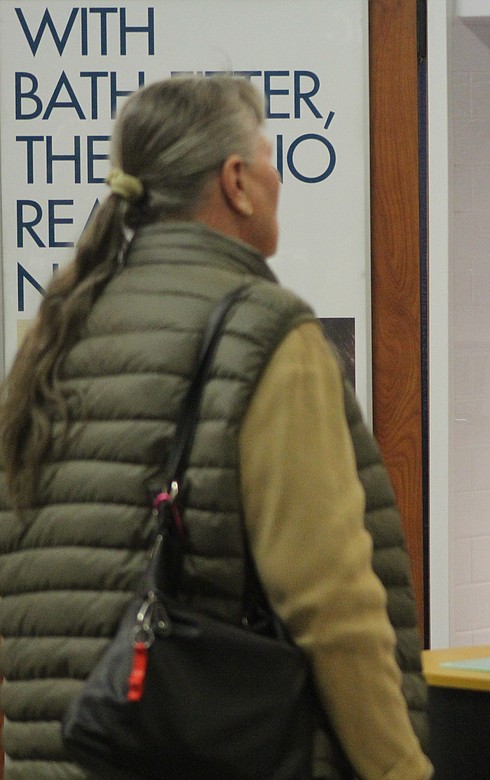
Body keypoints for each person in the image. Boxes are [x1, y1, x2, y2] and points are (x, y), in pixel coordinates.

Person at [0, 76, 432, 779]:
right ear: (237, 181)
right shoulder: (264, 334)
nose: (276, 175)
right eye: (269, 157)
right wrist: (400, 770)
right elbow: (333, 606)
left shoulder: (54, 334)